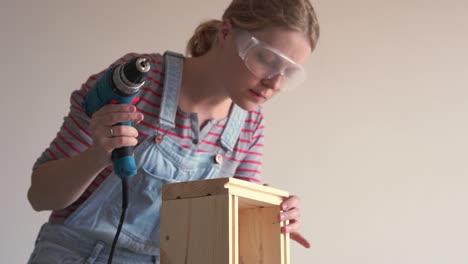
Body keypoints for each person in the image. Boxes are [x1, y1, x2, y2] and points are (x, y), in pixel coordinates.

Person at [27, 0, 320, 263]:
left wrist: (269, 214)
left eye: (288, 73)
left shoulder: (249, 125)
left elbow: (232, 227)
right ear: (227, 33)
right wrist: (96, 156)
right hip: (77, 255)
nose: (274, 84)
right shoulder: (138, 81)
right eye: (267, 60)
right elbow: (40, 196)